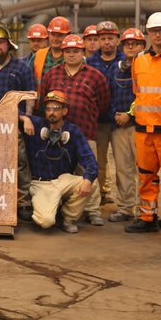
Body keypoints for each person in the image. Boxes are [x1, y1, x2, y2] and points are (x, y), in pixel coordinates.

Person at [39, 34, 110, 226]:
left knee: (88, 169)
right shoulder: (52, 74)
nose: (71, 55)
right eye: (68, 51)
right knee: (61, 173)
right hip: (57, 134)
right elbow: (42, 101)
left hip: (86, 131)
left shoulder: (95, 76)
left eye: (76, 51)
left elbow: (104, 103)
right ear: (62, 53)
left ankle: (93, 210)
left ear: (83, 52)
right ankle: (65, 207)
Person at [125, 12, 161, 234]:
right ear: (148, 33)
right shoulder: (138, 59)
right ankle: (147, 217)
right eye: (153, 31)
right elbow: (137, 92)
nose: (157, 34)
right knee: (145, 176)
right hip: (143, 130)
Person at [0, 23, 36, 220]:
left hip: (13, 124)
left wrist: (26, 117)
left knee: (19, 163)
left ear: (8, 44)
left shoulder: (21, 68)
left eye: (1, 43)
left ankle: (24, 201)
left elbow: (30, 95)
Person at [23, 91, 97, 233]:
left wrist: (88, 179)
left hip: (63, 180)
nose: (51, 112)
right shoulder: (37, 124)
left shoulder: (73, 131)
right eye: (48, 109)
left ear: (65, 111)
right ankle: (49, 209)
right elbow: (10, 111)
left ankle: (67, 217)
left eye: (56, 109)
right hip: (40, 184)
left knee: (89, 183)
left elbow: (90, 160)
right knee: (46, 222)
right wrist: (25, 119)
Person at [107, 28, 145, 222]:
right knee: (123, 169)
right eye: (127, 44)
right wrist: (116, 114)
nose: (131, 47)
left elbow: (145, 96)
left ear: (143, 46)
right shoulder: (116, 67)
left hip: (140, 126)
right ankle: (125, 208)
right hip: (119, 126)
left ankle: (145, 210)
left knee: (143, 169)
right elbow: (110, 93)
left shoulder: (147, 66)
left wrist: (130, 115)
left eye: (135, 44)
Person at [88, 21, 122, 204]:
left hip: (121, 122)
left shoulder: (126, 61)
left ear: (118, 40)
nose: (106, 42)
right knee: (99, 163)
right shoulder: (90, 63)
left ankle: (126, 204)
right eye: (103, 38)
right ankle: (100, 196)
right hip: (98, 122)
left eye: (110, 38)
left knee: (124, 166)